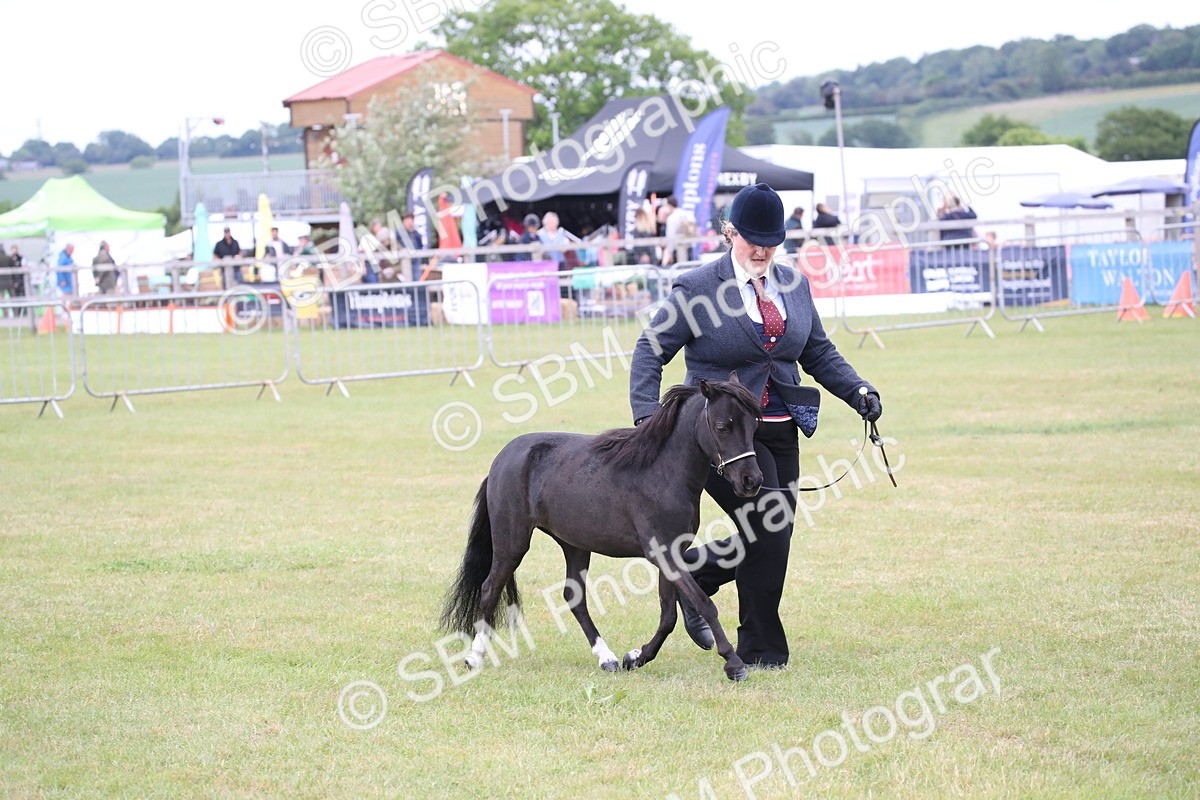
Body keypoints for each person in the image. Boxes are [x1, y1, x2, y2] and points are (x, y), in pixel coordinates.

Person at [628, 182, 882, 669]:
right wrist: (647, 419)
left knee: (774, 531)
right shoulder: (698, 287)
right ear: (730, 234)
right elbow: (650, 349)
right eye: (753, 241)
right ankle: (761, 649)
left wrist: (858, 390)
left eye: (772, 241)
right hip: (720, 437)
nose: (763, 250)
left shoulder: (794, 285)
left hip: (782, 427)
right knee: (767, 525)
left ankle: (696, 575)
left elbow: (817, 351)